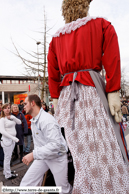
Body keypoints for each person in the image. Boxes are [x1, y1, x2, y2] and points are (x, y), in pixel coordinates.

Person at [47, 0, 129, 193]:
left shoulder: (56, 39)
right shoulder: (101, 25)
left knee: (80, 151)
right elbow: (112, 56)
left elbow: (52, 72)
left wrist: (56, 98)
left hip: (68, 96)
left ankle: (89, 186)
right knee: (105, 144)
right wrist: (113, 90)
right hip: (92, 90)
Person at [20, 94, 72, 194]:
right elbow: (40, 143)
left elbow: (55, 145)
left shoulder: (47, 120)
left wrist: (33, 155)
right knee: (26, 185)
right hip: (43, 157)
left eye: (26, 104)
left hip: (57, 157)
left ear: (33, 103)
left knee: (63, 189)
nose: (24, 106)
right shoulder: (35, 119)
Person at [0, 103, 21, 179]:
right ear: (3, 109)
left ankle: (6, 171)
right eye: (5, 108)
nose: (7, 109)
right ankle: (8, 175)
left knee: (8, 157)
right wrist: (13, 138)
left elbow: (19, 122)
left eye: (8, 108)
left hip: (12, 141)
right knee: (7, 158)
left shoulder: (12, 117)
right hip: (7, 141)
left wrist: (13, 117)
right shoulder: (2, 119)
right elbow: (2, 131)